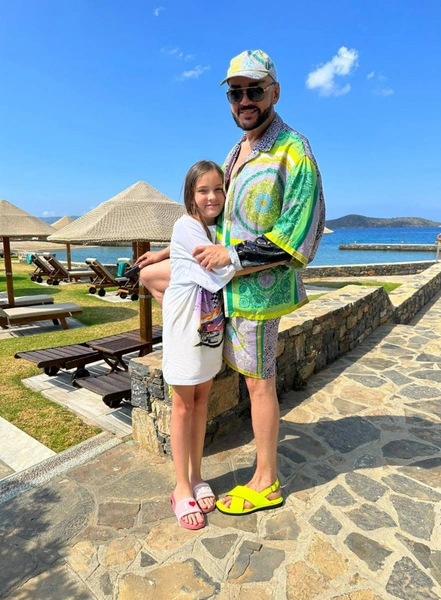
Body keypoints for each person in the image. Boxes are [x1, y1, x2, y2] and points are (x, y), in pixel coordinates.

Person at [137, 50, 325, 517]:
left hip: (259, 294)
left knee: (260, 385)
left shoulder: (293, 150)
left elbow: (299, 231)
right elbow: (217, 225)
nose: (244, 100)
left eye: (254, 90)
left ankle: (266, 480)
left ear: (274, 92)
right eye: (235, 93)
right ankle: (233, 476)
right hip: (226, 294)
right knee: (248, 384)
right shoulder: (236, 152)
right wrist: (168, 252)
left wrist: (234, 256)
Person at [165, 159, 284, 530]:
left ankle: (197, 475)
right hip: (186, 327)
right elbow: (220, 269)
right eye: (203, 190)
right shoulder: (186, 225)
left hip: (209, 326)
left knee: (202, 401)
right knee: (183, 406)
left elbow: (221, 253)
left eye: (219, 189)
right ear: (191, 195)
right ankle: (181, 488)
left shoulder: (214, 229)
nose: (212, 196)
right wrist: (274, 256)